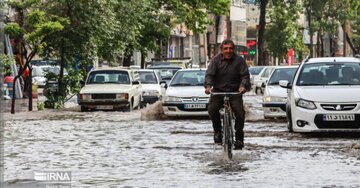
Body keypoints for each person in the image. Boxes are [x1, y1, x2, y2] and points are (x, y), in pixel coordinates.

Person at [204, 39, 250, 150]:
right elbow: (209, 75)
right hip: (218, 92)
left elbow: (245, 76)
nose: (228, 51)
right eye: (225, 48)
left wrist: (243, 86)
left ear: (233, 49)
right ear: (221, 50)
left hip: (235, 92)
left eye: (230, 48)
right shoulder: (215, 61)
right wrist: (208, 86)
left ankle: (239, 138)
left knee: (240, 113)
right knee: (212, 109)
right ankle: (218, 132)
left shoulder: (240, 61)